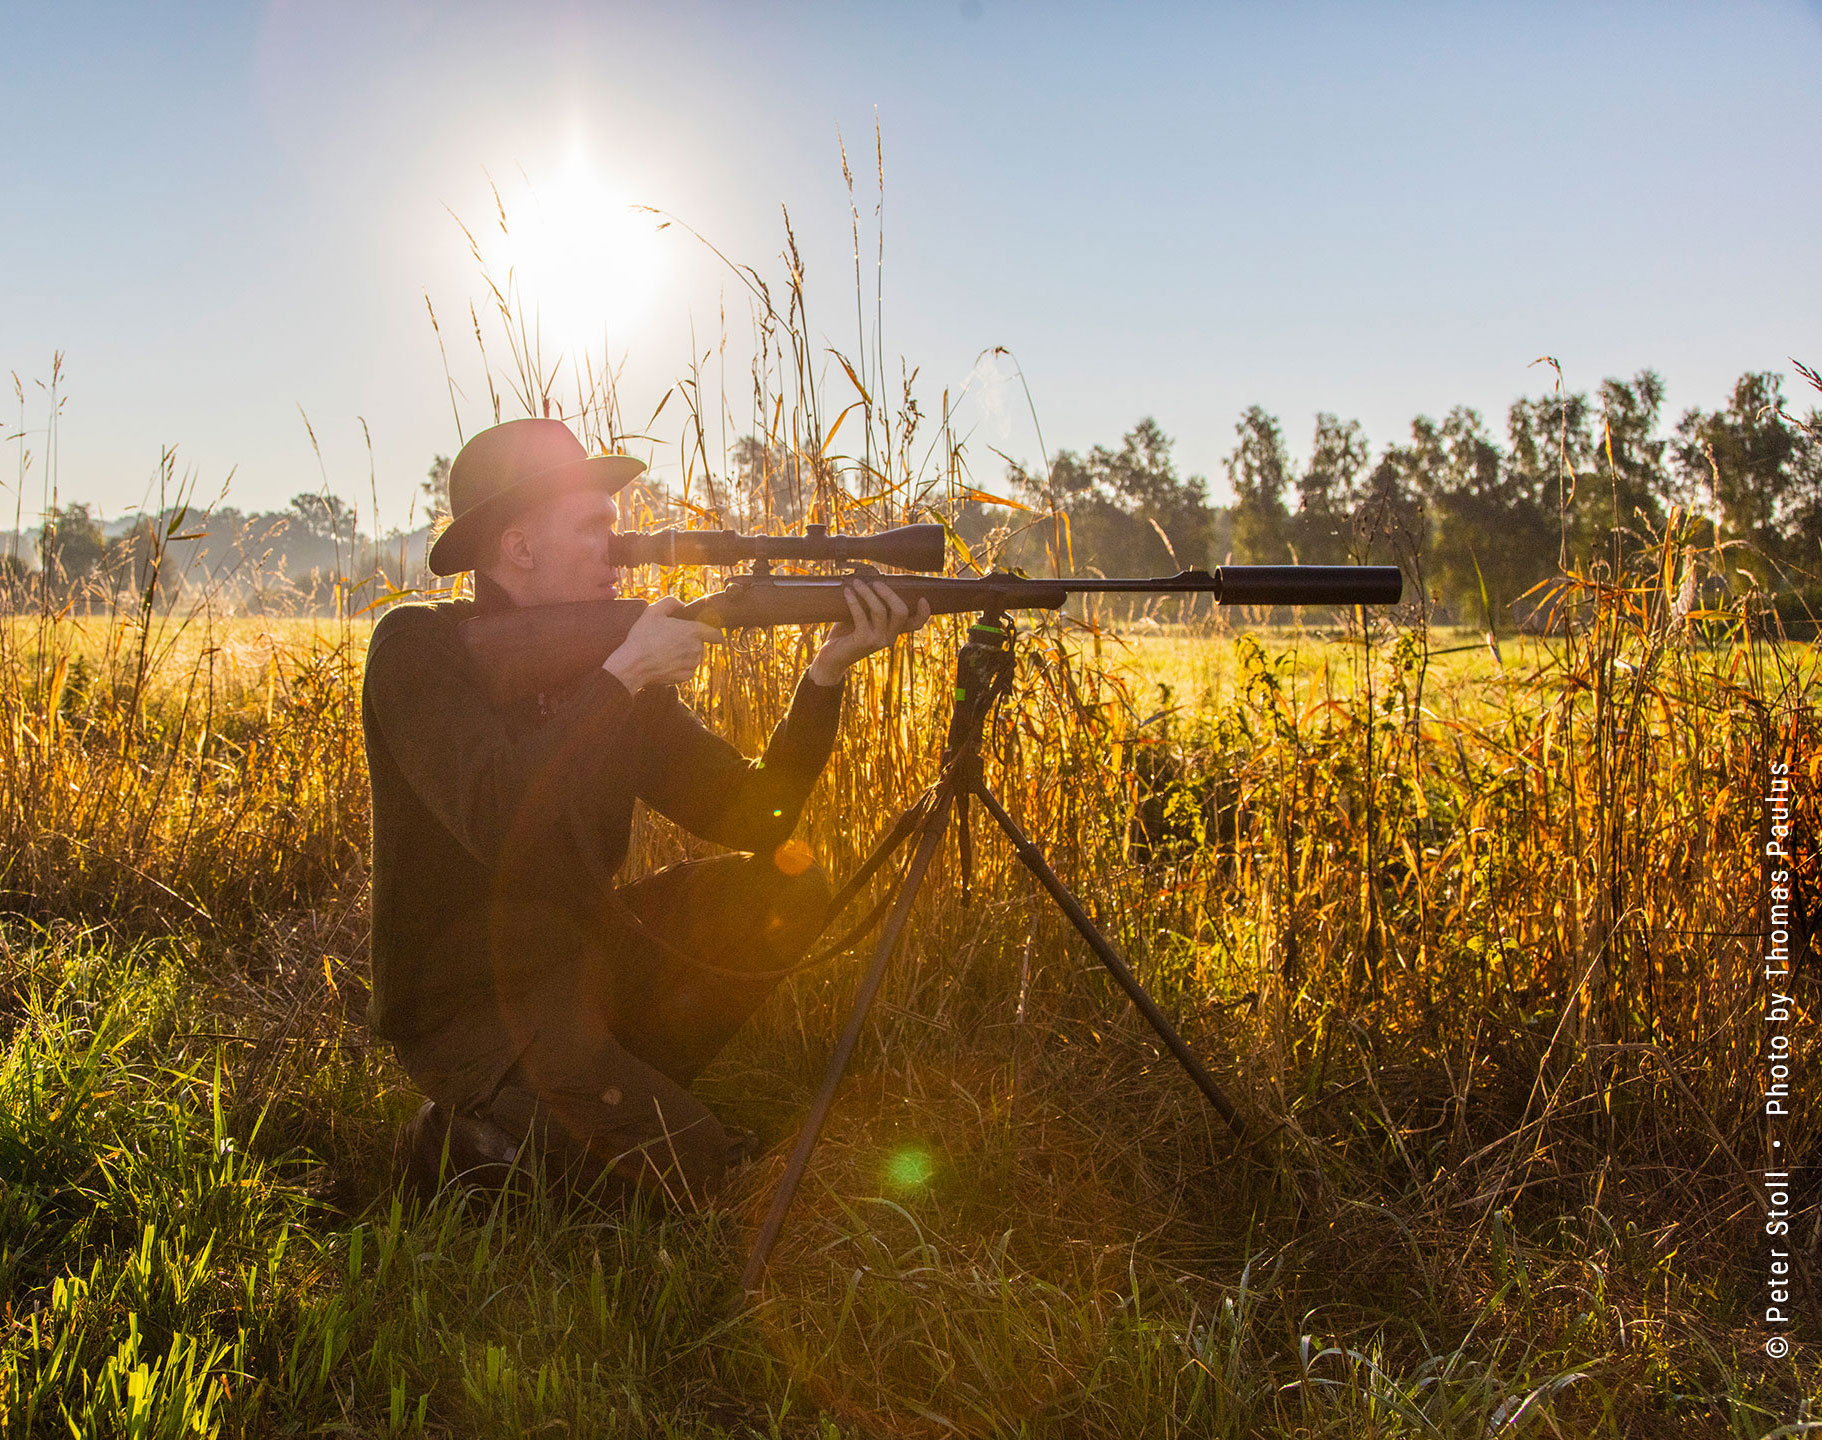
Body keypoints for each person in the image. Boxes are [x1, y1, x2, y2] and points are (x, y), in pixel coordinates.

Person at [362, 417, 929, 1204]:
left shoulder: (616, 656)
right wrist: (621, 681)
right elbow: (496, 815)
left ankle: (603, 1093)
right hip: (467, 1010)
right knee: (700, 1172)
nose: (619, 550)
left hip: (579, 965)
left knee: (786, 886)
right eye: (593, 528)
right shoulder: (417, 651)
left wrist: (826, 673)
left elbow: (755, 818)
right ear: (520, 548)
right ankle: (453, 1141)